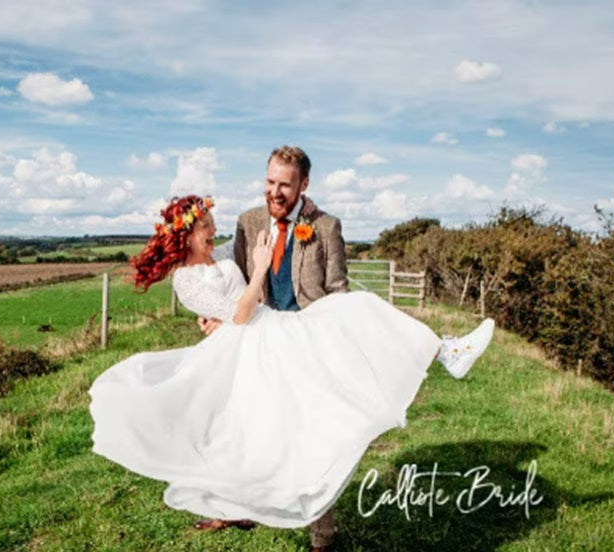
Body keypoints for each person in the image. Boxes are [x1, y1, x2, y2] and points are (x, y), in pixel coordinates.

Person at [89, 195, 495, 552]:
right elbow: (241, 311)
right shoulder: (186, 279)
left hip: (265, 332)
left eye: (212, 224)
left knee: (352, 310)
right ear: (185, 236)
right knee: (248, 436)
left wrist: (294, 216)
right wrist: (257, 275)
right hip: (250, 343)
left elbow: (250, 278)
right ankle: (256, 508)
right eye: (204, 228)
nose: (212, 231)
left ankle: (444, 350)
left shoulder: (220, 257)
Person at [197, 145, 347, 549]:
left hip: (306, 343)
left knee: (311, 439)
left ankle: (322, 535)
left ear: (304, 185)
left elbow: (338, 293)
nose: (275, 192)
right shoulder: (248, 222)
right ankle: (237, 509)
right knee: (243, 427)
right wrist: (216, 312)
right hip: (258, 340)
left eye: (284, 184)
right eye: (269, 182)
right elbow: (238, 281)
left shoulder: (327, 227)